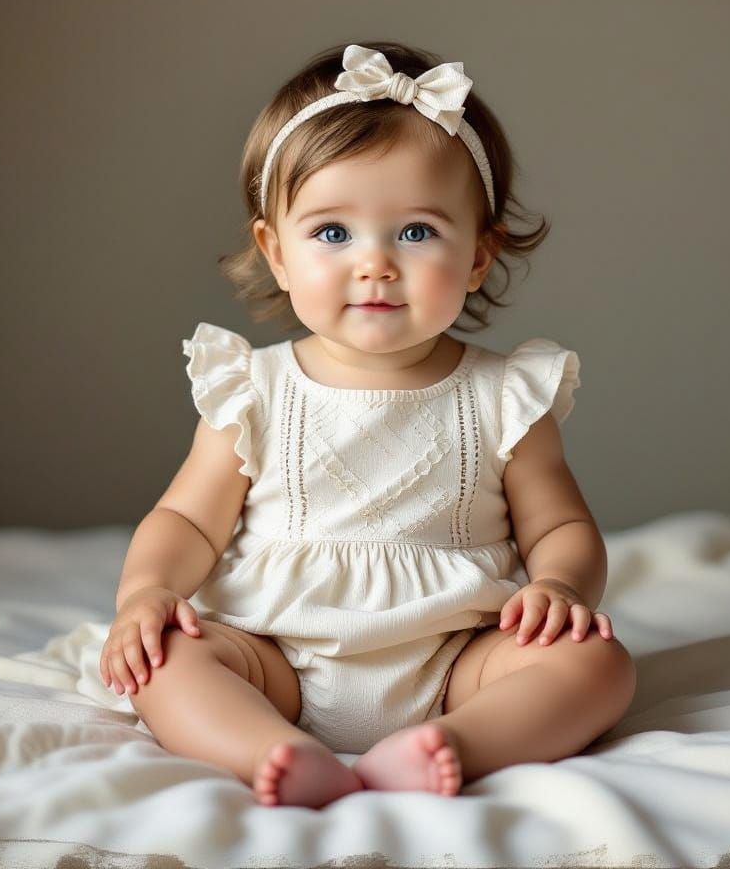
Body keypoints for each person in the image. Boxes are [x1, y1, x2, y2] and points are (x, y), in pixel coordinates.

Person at [94, 41, 637, 809]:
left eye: (416, 232)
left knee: (599, 665)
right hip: (273, 654)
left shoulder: (505, 396)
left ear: (479, 256)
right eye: (332, 233)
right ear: (276, 252)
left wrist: (558, 585)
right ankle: (269, 748)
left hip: (458, 661)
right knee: (166, 660)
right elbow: (186, 519)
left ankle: (453, 744)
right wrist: (146, 593)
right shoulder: (252, 390)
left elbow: (561, 527)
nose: (375, 263)